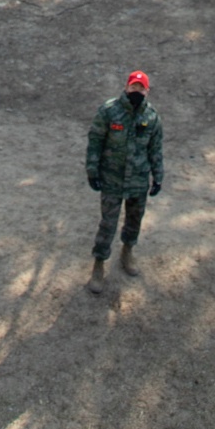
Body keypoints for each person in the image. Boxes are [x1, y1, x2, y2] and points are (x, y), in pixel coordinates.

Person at [85, 70, 163, 294]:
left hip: (138, 181)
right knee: (107, 223)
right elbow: (95, 141)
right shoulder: (110, 111)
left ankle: (127, 252)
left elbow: (156, 150)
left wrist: (158, 177)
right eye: (133, 87)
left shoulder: (152, 118)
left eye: (141, 88)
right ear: (126, 87)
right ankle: (98, 266)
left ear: (147, 91)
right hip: (112, 179)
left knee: (134, 219)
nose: (136, 91)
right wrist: (92, 170)